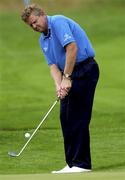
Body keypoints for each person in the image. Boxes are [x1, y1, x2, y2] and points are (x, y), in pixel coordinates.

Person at [21, 4, 99, 174]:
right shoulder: (43, 40)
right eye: (31, 25)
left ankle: (82, 163)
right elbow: (53, 66)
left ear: (42, 14)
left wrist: (67, 78)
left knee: (77, 117)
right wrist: (59, 85)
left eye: (35, 22)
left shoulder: (58, 22)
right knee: (66, 117)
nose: (34, 26)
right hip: (69, 73)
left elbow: (72, 48)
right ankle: (72, 163)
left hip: (84, 69)